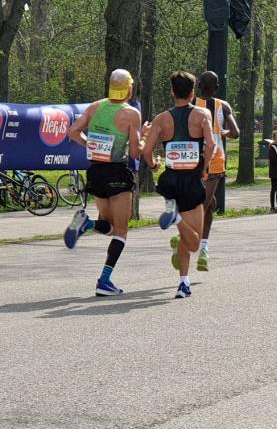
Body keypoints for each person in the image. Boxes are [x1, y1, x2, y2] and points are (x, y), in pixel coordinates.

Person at [63, 69, 148, 296]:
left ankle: (87, 224)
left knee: (109, 226)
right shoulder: (131, 114)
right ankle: (104, 280)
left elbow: (72, 132)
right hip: (118, 172)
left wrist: (90, 144)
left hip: (96, 172)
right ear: (129, 88)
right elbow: (135, 152)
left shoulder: (94, 107)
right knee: (121, 231)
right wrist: (145, 137)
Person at [142, 70, 217, 298]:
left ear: (172, 92)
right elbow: (211, 145)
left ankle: (183, 282)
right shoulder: (202, 114)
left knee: (185, 237)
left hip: (171, 180)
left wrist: (154, 165)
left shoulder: (161, 119)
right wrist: (204, 169)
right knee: (194, 243)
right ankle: (175, 218)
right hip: (191, 179)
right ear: (193, 92)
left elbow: (146, 150)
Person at [194, 71, 239, 272]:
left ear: (199, 85)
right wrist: (222, 132)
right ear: (217, 87)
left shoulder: (192, 103)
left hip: (195, 155)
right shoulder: (223, 105)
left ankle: (194, 241)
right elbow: (236, 133)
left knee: (208, 203)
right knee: (207, 202)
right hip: (216, 158)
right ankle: (198, 244)